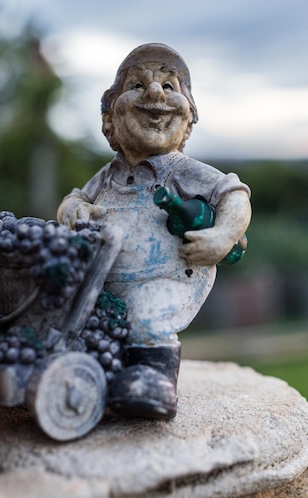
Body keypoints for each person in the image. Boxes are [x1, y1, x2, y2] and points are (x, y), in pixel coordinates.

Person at [57, 43, 251, 419]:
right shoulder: (109, 175)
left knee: (146, 315)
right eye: (137, 84)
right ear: (109, 118)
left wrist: (223, 236)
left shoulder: (181, 171)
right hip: (104, 282)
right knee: (80, 319)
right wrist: (74, 209)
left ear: (189, 119)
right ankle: (98, 377)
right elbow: (73, 197)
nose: (155, 92)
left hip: (169, 277)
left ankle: (153, 382)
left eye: (170, 85)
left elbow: (235, 195)